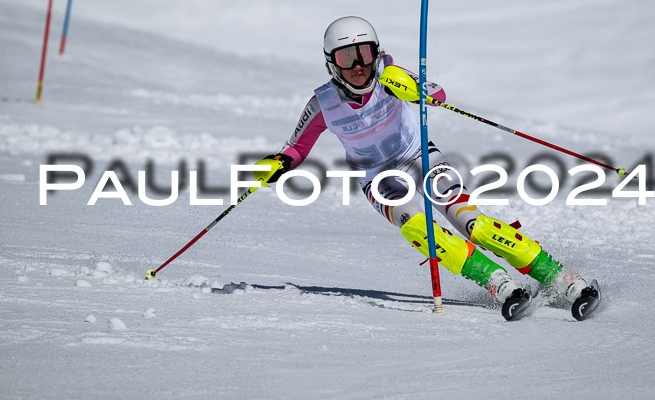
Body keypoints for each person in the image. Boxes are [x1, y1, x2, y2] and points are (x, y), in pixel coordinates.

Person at [254, 16, 600, 320]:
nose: (359, 65)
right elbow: (296, 147)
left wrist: (418, 89)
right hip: (379, 178)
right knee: (424, 231)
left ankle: (560, 278)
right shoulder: (322, 104)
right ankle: (498, 284)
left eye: (366, 53)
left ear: (377, 52)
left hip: (420, 155)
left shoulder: (390, 75)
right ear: (332, 64)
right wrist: (279, 164)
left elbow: (438, 93)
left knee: (474, 225)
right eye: (348, 58)